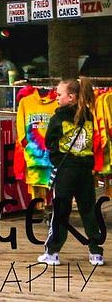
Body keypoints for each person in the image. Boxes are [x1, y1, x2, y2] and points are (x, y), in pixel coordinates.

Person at [39, 77, 104, 266]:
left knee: (61, 210)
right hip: (85, 169)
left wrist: (57, 159)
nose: (56, 97)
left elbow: (49, 141)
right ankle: (95, 252)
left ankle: (52, 252)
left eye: (59, 95)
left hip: (66, 170)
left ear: (71, 97)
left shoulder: (58, 118)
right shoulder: (89, 116)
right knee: (88, 210)